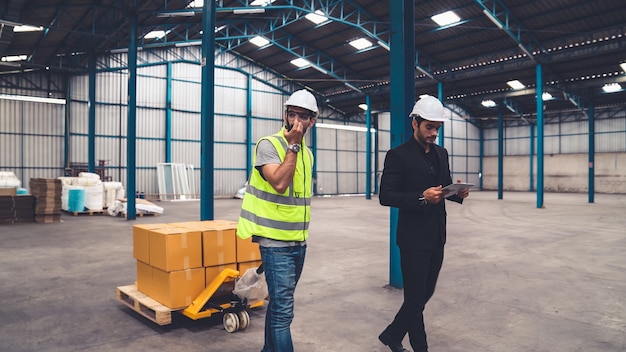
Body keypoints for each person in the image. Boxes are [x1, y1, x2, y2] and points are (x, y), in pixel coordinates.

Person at [378, 95, 470, 352]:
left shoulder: (442, 153)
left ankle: (392, 334)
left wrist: (458, 193)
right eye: (429, 127)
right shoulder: (398, 156)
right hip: (413, 238)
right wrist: (421, 197)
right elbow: (386, 196)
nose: (434, 133)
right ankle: (420, 347)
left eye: (437, 128)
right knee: (416, 298)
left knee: (424, 294)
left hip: (437, 235)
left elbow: (444, 188)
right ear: (415, 123)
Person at [237, 89, 318, 352]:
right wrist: (293, 145)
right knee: (284, 313)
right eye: (291, 114)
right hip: (275, 244)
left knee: (279, 306)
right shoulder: (269, 145)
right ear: (284, 114)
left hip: (298, 242)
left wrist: (297, 147)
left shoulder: (307, 154)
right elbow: (281, 183)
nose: (295, 121)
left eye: (302, 117)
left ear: (312, 121)